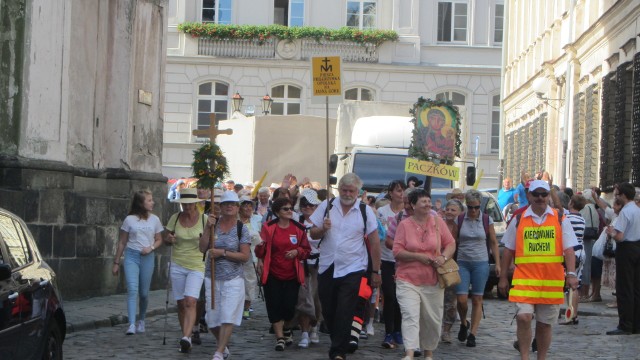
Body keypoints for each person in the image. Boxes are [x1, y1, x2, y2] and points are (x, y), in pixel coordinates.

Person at [498, 180, 579, 360]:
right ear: (529, 196)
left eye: (544, 194)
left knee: (544, 325)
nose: (540, 198)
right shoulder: (519, 219)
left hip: (550, 281)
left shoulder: (559, 219)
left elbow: (569, 250)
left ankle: (541, 357)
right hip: (524, 280)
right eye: (536, 194)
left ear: (548, 196)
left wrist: (572, 274)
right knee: (524, 317)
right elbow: (508, 250)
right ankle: (525, 357)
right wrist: (503, 277)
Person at [309, 173, 381, 360]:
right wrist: (323, 228)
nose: (347, 193)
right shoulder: (327, 206)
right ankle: (338, 339)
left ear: (358, 192)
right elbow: (313, 234)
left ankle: (338, 352)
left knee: (345, 308)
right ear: (339, 189)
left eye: (351, 190)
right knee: (329, 309)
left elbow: (374, 243)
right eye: (344, 190)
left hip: (353, 267)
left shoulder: (365, 211)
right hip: (327, 265)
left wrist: (375, 271)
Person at [393, 189, 456, 360]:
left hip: (432, 280)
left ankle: (428, 352)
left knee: (432, 319)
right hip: (407, 279)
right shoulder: (404, 225)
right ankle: (410, 352)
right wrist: (417, 256)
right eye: (424, 201)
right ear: (413, 205)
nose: (428, 204)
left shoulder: (438, 222)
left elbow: (450, 243)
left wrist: (443, 257)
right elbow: (397, 251)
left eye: (429, 201)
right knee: (410, 315)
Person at [256, 197, 311, 351]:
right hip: (272, 272)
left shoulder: (298, 228)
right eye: (285, 209)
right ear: (277, 212)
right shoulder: (269, 227)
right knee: (274, 305)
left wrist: (297, 251)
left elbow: (306, 250)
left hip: (292, 274)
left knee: (289, 307)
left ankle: (287, 327)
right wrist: (260, 249)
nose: (289, 211)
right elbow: (261, 250)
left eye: (290, 208)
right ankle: (280, 338)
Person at [203, 190, 251, 360]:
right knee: (211, 318)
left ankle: (219, 351)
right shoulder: (212, 224)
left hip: (233, 278)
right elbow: (202, 248)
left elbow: (244, 256)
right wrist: (207, 228)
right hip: (212, 276)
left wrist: (223, 253)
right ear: (220, 207)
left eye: (233, 204)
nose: (229, 206)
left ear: (237, 207)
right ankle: (223, 346)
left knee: (227, 316)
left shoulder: (241, 228)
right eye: (226, 204)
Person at [165, 187, 211, 353]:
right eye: (184, 204)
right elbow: (166, 237)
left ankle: (186, 337)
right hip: (177, 264)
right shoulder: (175, 218)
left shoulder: (205, 220)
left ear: (195, 203)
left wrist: (207, 235)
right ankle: (187, 335)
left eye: (190, 204)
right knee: (181, 304)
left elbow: (211, 244)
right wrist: (168, 238)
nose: (187, 207)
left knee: (191, 301)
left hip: (197, 265)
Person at [112, 190, 164, 335]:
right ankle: (131, 324)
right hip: (132, 256)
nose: (152, 202)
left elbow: (159, 239)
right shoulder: (129, 220)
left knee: (143, 293)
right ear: (140, 203)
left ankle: (141, 319)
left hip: (147, 257)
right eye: (149, 200)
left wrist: (151, 247)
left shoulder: (155, 220)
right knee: (132, 289)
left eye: (151, 200)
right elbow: (122, 242)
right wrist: (116, 262)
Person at [454, 189, 500, 347]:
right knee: (461, 299)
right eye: (470, 207)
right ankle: (463, 322)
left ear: (480, 206)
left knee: (477, 299)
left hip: (481, 262)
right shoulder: (460, 219)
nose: (473, 210)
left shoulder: (487, 220)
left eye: (476, 207)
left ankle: (473, 333)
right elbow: (453, 241)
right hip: (462, 262)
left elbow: (493, 242)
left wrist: (498, 264)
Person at [606, 183, 640, 335]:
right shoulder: (637, 210)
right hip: (638, 247)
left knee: (624, 288)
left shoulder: (625, 212)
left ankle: (625, 324)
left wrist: (611, 232)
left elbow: (619, 236)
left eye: (618, 194)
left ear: (624, 196)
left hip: (626, 248)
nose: (616, 197)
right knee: (636, 288)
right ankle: (636, 324)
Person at [376, 180, 406, 349]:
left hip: (403, 260)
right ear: (391, 193)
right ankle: (389, 331)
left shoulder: (407, 212)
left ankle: (398, 330)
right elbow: (379, 234)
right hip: (387, 259)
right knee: (389, 295)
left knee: (401, 297)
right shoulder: (382, 211)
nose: (401, 194)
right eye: (398, 190)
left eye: (402, 190)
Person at [294, 189, 324, 348]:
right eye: (304, 204)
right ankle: (304, 332)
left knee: (317, 299)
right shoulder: (296, 221)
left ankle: (315, 327)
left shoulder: (322, 222)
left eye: (311, 204)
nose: (307, 207)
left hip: (319, 264)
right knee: (303, 298)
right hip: (301, 264)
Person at [558, 194, 587, 325]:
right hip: (581, 252)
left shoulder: (567, 217)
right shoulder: (582, 219)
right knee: (576, 284)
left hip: (570, 253)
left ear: (571, 203)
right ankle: (574, 314)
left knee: (568, 285)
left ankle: (569, 314)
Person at [440, 199, 464, 343]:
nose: (449, 212)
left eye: (453, 210)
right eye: (448, 209)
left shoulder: (459, 228)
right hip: (434, 264)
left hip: (450, 267)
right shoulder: (437, 223)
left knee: (450, 301)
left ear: (460, 213)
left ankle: (447, 331)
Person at [238, 196, 263, 320]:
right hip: (235, 256)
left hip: (252, 256)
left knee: (250, 282)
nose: (248, 208)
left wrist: (260, 260)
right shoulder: (234, 221)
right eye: (245, 205)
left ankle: (246, 308)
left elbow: (261, 242)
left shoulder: (257, 220)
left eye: (250, 205)